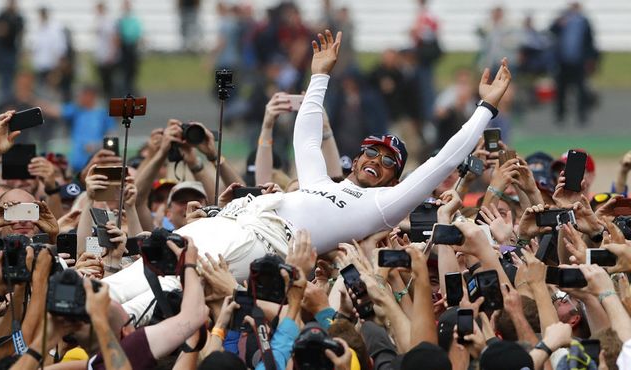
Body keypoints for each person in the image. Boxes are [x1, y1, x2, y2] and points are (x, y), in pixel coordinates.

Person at [104, 29, 512, 318]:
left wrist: (484, 110)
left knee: (157, 297)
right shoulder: (321, 181)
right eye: (372, 150)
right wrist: (319, 76)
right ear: (358, 155)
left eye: (389, 161)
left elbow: (441, 162)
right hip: (228, 220)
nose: (377, 159)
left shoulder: (382, 205)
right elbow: (305, 139)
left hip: (262, 244)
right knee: (119, 284)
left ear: (393, 179)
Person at [550, 1, 598, 126]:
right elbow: (551, 31)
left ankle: (582, 116)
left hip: (578, 62)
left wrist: (591, 60)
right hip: (563, 62)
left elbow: (590, 42)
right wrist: (558, 22)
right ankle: (560, 116)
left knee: (581, 89)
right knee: (561, 90)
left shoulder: (584, 22)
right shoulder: (562, 19)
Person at [0, 0, 24, 103]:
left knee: (9, 82)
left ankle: (7, 102)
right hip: (0, 55)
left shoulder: (18, 18)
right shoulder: (1, 15)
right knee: (3, 83)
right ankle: (3, 103)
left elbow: (18, 34)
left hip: (11, 54)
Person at [27, 7, 66, 90]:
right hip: (39, 67)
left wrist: (57, 68)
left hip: (51, 67)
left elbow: (60, 49)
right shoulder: (38, 30)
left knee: (51, 91)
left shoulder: (55, 29)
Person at [116, 0, 143, 95]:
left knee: (131, 73)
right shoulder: (120, 20)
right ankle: (126, 92)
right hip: (124, 49)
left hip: (132, 48)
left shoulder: (134, 20)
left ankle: (131, 91)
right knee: (124, 74)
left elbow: (138, 35)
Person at [93, 2, 117, 100]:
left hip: (107, 56)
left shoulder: (108, 22)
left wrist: (111, 54)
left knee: (108, 81)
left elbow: (113, 38)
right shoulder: (99, 21)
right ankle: (107, 99)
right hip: (101, 55)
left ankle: (111, 100)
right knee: (102, 80)